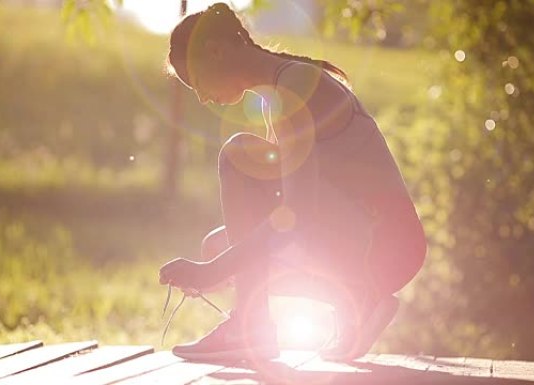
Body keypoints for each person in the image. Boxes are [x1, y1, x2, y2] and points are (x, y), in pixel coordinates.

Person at [159, 2, 426, 362]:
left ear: (216, 51)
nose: (203, 98)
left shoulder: (293, 87)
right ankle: (357, 299)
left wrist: (211, 274)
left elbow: (295, 216)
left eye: (195, 82)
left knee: (238, 157)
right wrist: (216, 265)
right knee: (217, 245)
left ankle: (252, 326)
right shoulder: (282, 91)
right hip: (371, 241)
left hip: (386, 243)